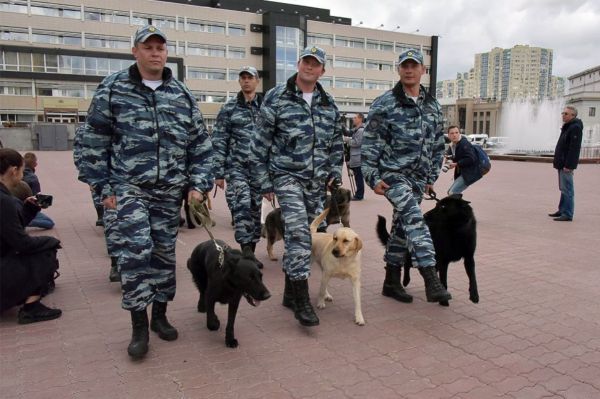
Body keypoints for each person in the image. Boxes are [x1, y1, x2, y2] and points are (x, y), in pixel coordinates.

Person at [73, 25, 213, 359]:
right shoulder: (113, 88)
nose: (155, 53)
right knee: (136, 251)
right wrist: (102, 185)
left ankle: (159, 317)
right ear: (135, 51)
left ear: (166, 53)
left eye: (160, 48)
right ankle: (138, 325)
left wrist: (197, 184)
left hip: (169, 191)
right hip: (127, 187)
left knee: (164, 255)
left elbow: (200, 144)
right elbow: (93, 140)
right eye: (147, 47)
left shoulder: (181, 93)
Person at [253, 46, 344, 327]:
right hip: (286, 177)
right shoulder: (277, 97)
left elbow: (335, 144)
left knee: (308, 234)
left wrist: (333, 173)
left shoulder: (329, 104)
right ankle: (302, 300)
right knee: (298, 236)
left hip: (316, 183)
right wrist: (264, 181)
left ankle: (289, 294)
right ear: (298, 64)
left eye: (315, 64)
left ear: (322, 70)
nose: (309, 67)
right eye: (306, 61)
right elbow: (260, 142)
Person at [361, 48, 452, 304]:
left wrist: (431, 176)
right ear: (399, 70)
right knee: (414, 219)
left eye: (414, 66)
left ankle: (391, 281)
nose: (409, 70)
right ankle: (430, 278)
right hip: (393, 176)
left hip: (418, 178)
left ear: (423, 70)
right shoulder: (385, 103)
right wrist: (370, 175)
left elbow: (437, 144)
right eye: (404, 66)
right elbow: (370, 144)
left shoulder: (432, 105)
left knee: (401, 227)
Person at [0, 148, 62, 324]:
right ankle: (31, 308)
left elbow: (9, 232)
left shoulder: (5, 198)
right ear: (14, 170)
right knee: (46, 250)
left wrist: (29, 210)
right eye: (21, 170)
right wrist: (51, 242)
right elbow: (21, 243)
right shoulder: (4, 201)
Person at [212, 66, 264, 268]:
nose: (246, 81)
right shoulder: (229, 108)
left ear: (257, 81)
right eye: (242, 77)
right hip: (236, 169)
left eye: (250, 77)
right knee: (241, 206)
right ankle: (247, 252)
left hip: (259, 170)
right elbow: (219, 140)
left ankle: (251, 247)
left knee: (255, 210)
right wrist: (218, 172)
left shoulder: (266, 108)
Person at [549, 105, 583, 222]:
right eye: (563, 113)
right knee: (563, 188)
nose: (563, 115)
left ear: (573, 116)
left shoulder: (575, 128)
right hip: (562, 163)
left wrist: (569, 165)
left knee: (568, 189)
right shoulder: (568, 127)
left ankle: (568, 213)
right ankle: (562, 209)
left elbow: (574, 149)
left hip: (566, 164)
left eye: (566, 114)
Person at [444, 125, 482, 195]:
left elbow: (471, 158)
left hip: (470, 173)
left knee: (452, 192)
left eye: (456, 132)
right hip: (464, 173)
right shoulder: (452, 145)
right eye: (452, 133)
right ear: (448, 135)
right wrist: (448, 162)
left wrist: (457, 164)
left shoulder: (464, 144)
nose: (454, 135)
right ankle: (459, 205)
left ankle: (461, 206)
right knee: (451, 192)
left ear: (459, 133)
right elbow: (450, 158)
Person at [22, 152, 55, 230]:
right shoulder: (33, 178)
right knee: (50, 223)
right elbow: (36, 199)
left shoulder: (16, 174)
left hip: (15, 205)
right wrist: (44, 204)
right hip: (25, 207)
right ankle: (21, 221)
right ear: (35, 164)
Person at [343, 113, 366, 201]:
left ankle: (359, 195)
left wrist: (346, 140)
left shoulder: (360, 131)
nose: (353, 119)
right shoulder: (357, 130)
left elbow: (357, 143)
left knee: (358, 177)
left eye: (355, 118)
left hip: (358, 158)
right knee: (357, 176)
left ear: (360, 119)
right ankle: (359, 194)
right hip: (356, 157)